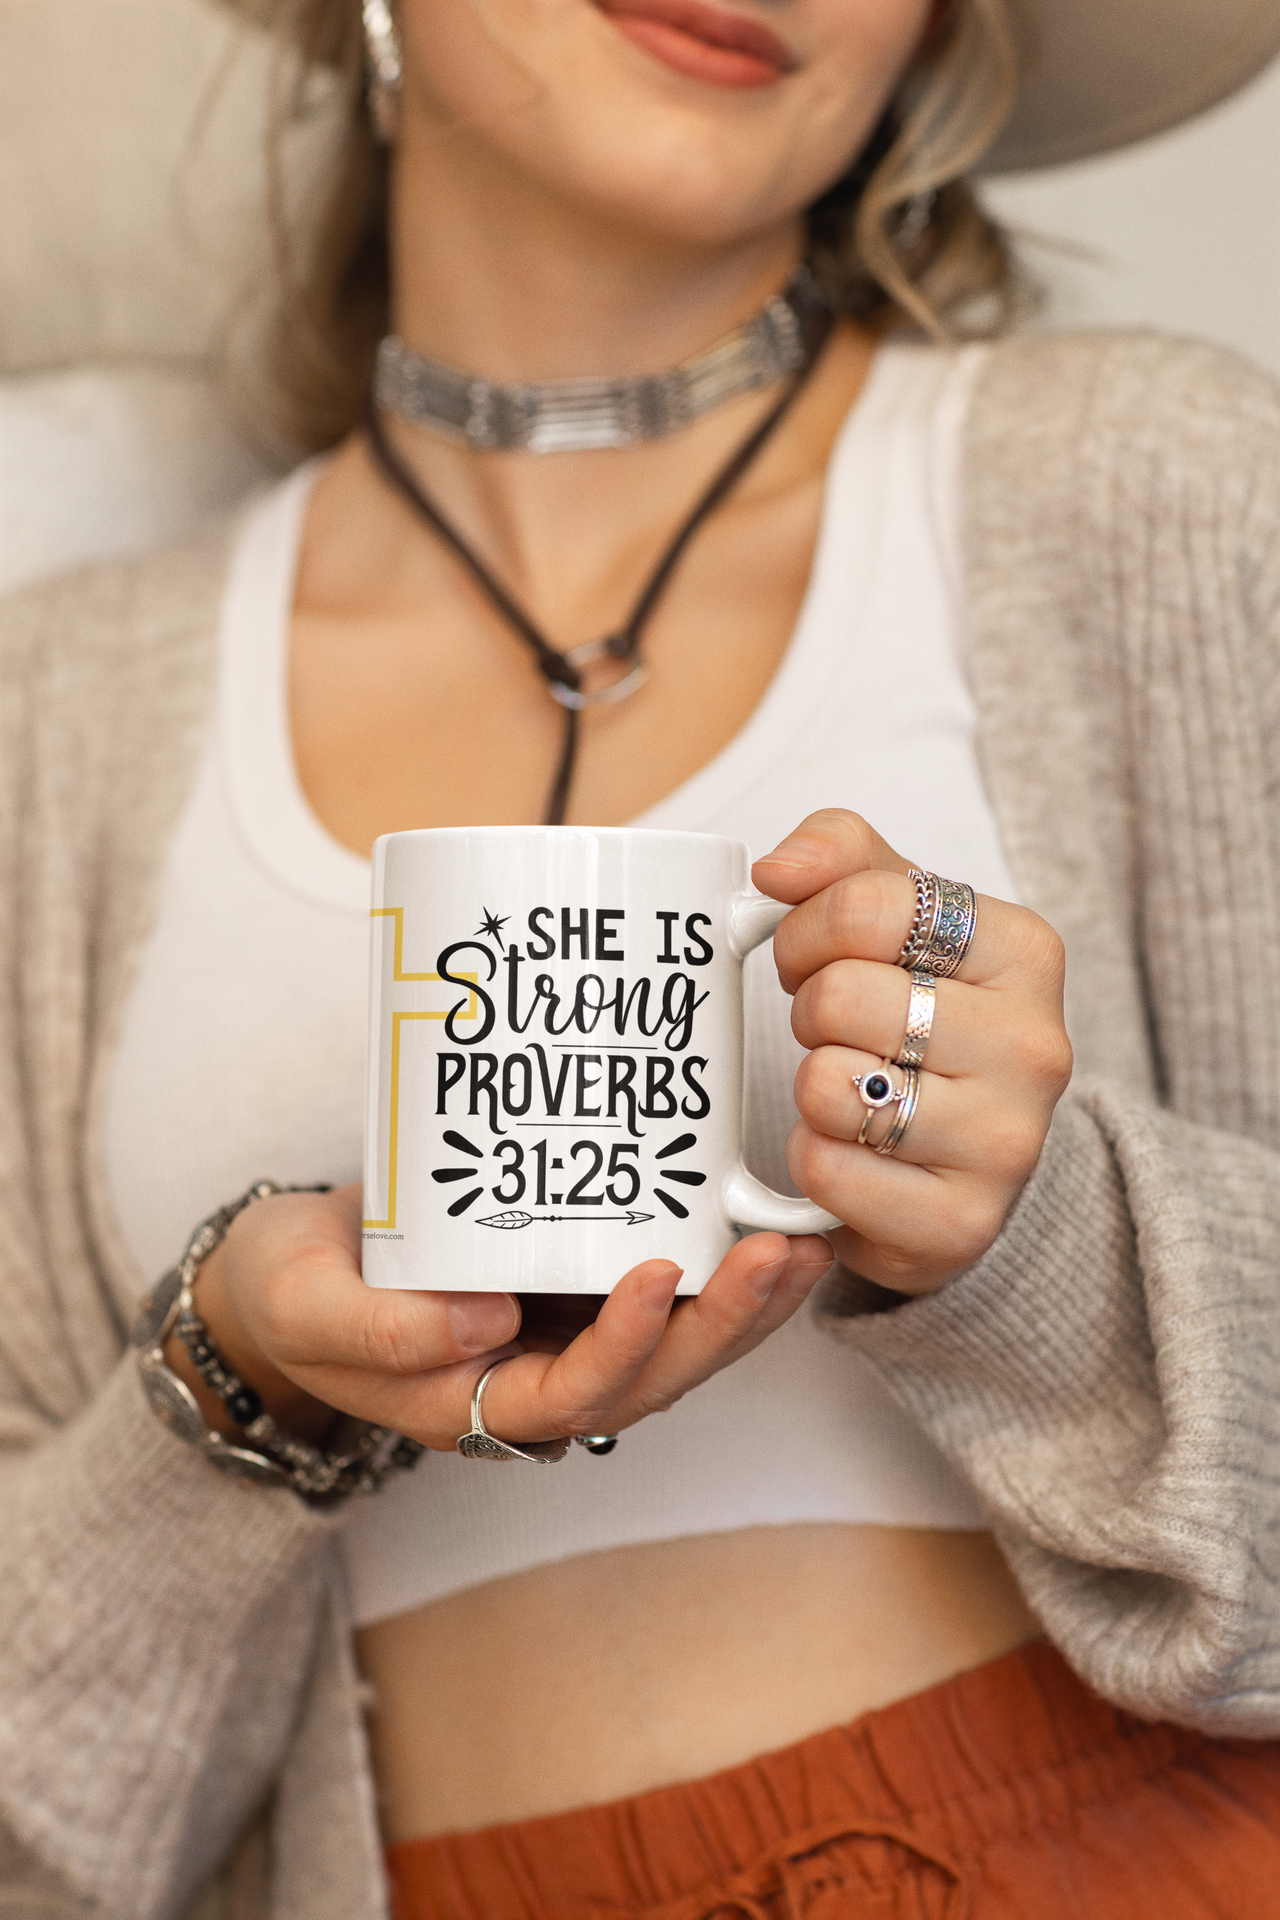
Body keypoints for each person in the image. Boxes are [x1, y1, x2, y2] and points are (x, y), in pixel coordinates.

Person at [3, 0, 1280, 1915]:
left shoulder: (1158, 488)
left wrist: (1047, 1249)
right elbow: (45, 1832)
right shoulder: (55, 722)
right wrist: (239, 1383)